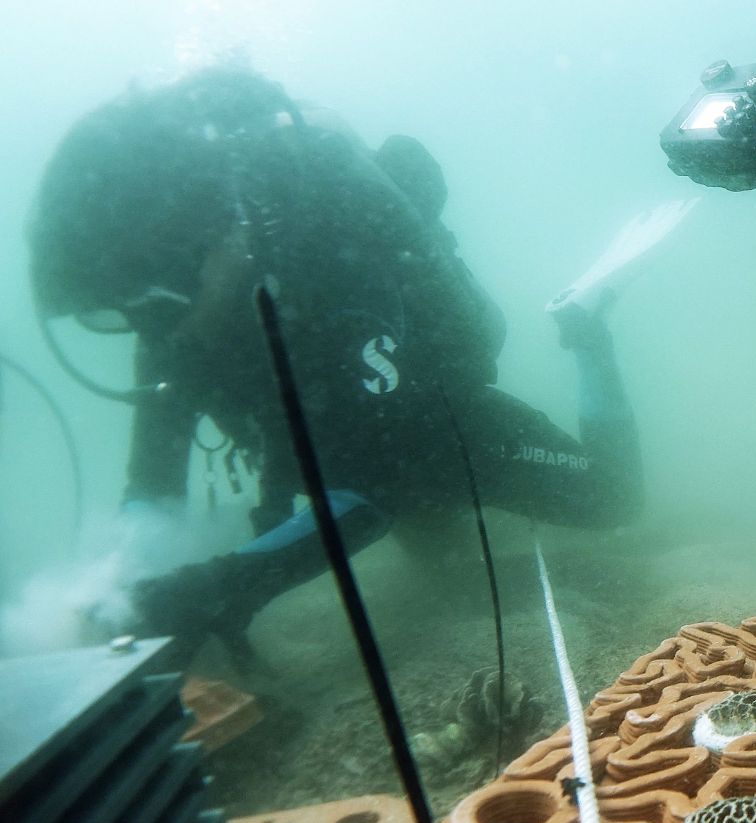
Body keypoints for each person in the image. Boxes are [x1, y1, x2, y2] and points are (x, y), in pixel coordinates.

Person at [26, 67, 642, 656]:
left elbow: (378, 484)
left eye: (144, 305)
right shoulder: (170, 311)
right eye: (110, 316)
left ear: (217, 243)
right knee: (438, 553)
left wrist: (226, 586)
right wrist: (111, 591)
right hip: (350, 454)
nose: (148, 331)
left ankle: (584, 329)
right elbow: (153, 479)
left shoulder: (327, 265)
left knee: (611, 501)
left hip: (429, 426)